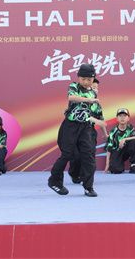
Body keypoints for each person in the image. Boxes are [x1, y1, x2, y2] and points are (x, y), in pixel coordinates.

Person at [47, 63, 104, 197]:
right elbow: (71, 97)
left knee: (89, 156)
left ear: (93, 79)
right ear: (78, 78)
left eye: (89, 79)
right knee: (67, 154)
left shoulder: (93, 93)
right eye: (83, 79)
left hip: (85, 128)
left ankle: (88, 187)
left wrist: (101, 126)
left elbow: (97, 114)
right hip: (70, 126)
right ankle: (54, 181)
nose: (86, 82)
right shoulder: (74, 86)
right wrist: (89, 100)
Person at [69, 77, 107, 184]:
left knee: (89, 155)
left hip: (90, 132)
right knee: (76, 156)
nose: (95, 90)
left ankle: (86, 178)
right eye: (93, 88)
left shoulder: (97, 104)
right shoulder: (79, 100)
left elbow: (101, 119)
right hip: (76, 130)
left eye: (96, 88)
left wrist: (105, 134)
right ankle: (74, 174)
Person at [104, 108, 135, 174]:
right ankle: (119, 165)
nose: (122, 118)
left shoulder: (130, 128)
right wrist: (107, 164)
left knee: (134, 141)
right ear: (117, 118)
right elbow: (109, 149)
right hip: (116, 153)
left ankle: (133, 166)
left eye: (124, 116)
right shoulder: (113, 131)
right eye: (120, 116)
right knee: (116, 170)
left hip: (126, 151)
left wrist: (124, 139)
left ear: (128, 118)